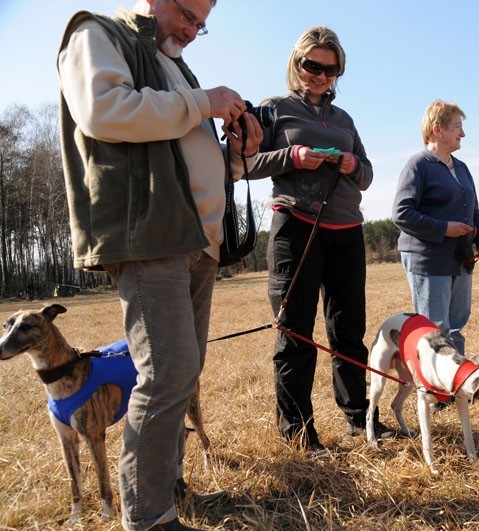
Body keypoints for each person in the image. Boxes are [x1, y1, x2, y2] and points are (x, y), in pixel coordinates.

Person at [57, 1, 262, 529]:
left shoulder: (173, 63)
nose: (193, 32)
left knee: (183, 375)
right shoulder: (97, 33)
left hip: (197, 241)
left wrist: (238, 153)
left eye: (202, 23)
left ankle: (168, 491)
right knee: (166, 373)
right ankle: (149, 517)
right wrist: (204, 100)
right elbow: (104, 111)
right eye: (187, 15)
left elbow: (190, 154)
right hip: (151, 236)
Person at [249, 26, 392, 454]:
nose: (321, 76)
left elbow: (367, 176)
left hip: (346, 229)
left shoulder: (344, 119)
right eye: (313, 66)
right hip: (296, 227)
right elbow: (244, 163)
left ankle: (359, 418)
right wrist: (292, 157)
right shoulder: (272, 110)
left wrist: (351, 164)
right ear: (297, 63)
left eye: (331, 70)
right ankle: (299, 434)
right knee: (295, 332)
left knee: (348, 331)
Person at [392, 100, 479, 357]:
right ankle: (436, 393)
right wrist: (444, 229)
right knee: (435, 329)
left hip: (460, 258)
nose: (463, 133)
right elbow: (401, 213)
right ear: (438, 130)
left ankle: (455, 386)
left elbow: (474, 212)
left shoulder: (461, 168)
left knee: (457, 324)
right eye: (457, 127)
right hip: (429, 259)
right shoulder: (418, 165)